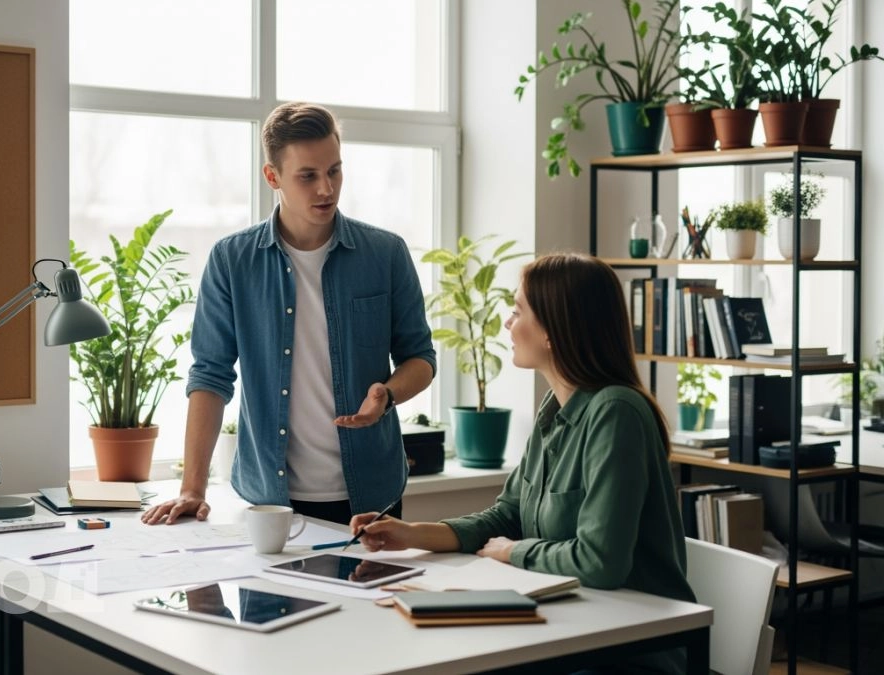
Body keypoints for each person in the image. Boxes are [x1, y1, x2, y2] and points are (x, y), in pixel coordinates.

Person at [350, 253, 694, 674]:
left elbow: (600, 562)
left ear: (553, 330)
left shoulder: (616, 412)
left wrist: (514, 553)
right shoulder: (556, 406)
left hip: (628, 651)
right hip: (568, 627)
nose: (508, 325)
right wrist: (412, 534)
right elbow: (509, 514)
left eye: (517, 311)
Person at [142, 102, 436, 527]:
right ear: (272, 176)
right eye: (308, 176)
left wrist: (385, 396)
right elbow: (210, 374)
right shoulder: (232, 260)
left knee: (369, 596)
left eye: (334, 170)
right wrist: (192, 489)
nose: (326, 189)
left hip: (372, 493)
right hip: (270, 501)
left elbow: (421, 358)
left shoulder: (385, 254)